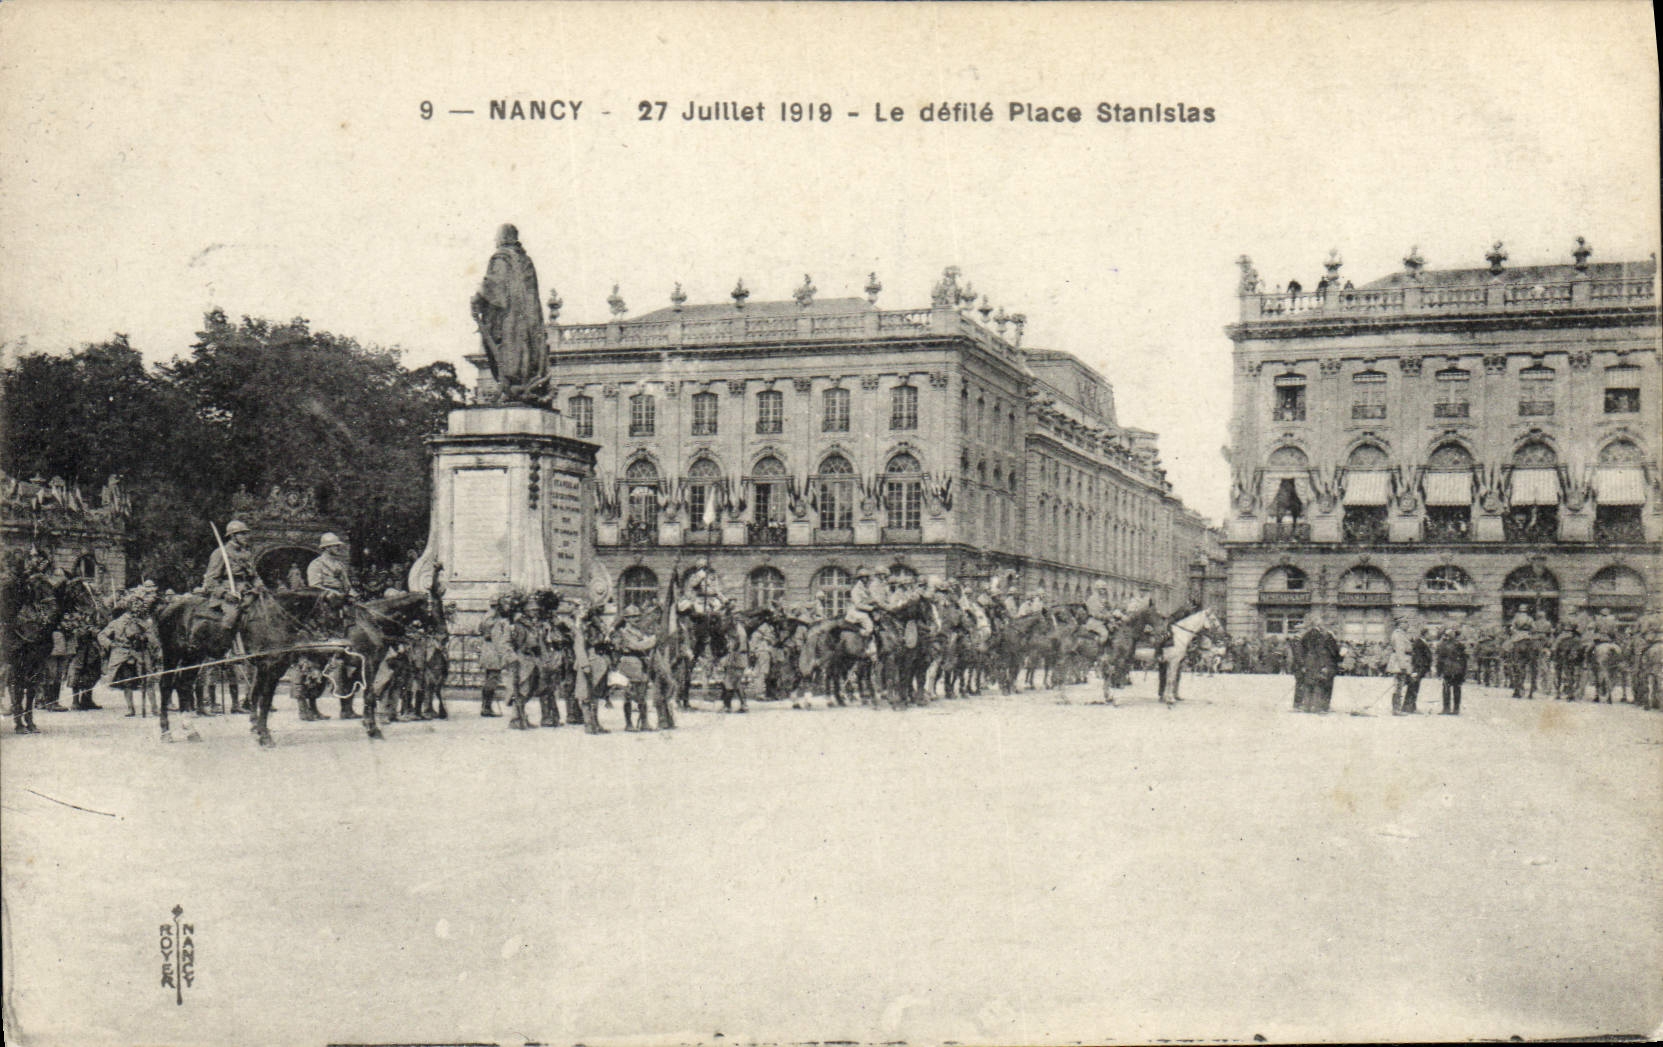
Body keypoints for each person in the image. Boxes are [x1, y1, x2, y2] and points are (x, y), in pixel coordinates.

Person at [470, 222, 551, 404]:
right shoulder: (526, 260)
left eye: (496, 237)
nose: (495, 241)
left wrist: (477, 298)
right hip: (529, 320)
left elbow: (494, 284)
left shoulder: (502, 258)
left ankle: (512, 386)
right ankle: (521, 385)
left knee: (510, 350)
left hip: (509, 318)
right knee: (524, 351)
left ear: (502, 238)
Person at [99, 583, 163, 718]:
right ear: (129, 607)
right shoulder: (119, 622)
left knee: (148, 679)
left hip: (141, 653)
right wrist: (111, 645)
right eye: (134, 605)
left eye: (139, 605)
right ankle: (130, 708)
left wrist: (147, 639)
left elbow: (153, 638)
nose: (137, 608)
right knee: (127, 682)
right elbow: (102, 635)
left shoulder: (145, 622)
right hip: (123, 654)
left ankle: (154, 708)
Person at [611, 604, 660, 731]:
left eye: (637, 616)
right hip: (629, 662)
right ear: (626, 619)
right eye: (632, 617)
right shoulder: (624, 632)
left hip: (640, 662)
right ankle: (629, 724)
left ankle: (644, 722)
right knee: (629, 694)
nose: (636, 619)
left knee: (642, 694)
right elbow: (636, 646)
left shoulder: (638, 631)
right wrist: (652, 641)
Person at [475, 589, 515, 718]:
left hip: (488, 650)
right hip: (493, 651)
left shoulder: (488, 616)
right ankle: (486, 708)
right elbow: (495, 637)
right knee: (492, 679)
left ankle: (486, 706)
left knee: (490, 679)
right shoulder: (494, 619)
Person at [1296, 613, 1342, 713]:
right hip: (1323, 663)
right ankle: (1321, 706)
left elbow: (1301, 650)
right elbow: (1329, 651)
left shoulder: (1306, 635)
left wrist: (1303, 664)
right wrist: (1339, 657)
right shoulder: (1324, 636)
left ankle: (1308, 706)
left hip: (1309, 663)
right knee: (1321, 685)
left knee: (1310, 684)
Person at [1435, 626, 1468, 715]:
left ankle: (1446, 708)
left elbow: (1440, 658)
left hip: (1448, 669)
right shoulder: (1460, 645)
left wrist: (1439, 671)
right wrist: (1464, 671)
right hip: (1458, 669)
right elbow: (1464, 659)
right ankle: (1456, 709)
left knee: (1446, 688)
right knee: (1457, 688)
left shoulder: (1443, 645)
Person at [1387, 614, 1415, 715]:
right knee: (1398, 686)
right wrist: (1403, 666)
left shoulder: (1402, 634)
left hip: (1402, 662)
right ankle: (1396, 709)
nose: (1408, 625)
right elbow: (1400, 651)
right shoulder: (1398, 634)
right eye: (1405, 622)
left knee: (1400, 685)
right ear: (1400, 624)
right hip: (1399, 663)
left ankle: (1397, 708)